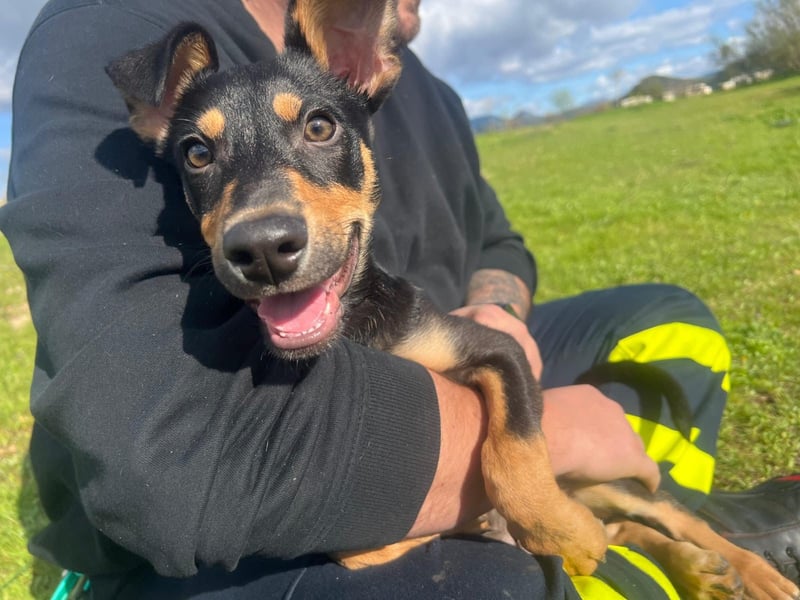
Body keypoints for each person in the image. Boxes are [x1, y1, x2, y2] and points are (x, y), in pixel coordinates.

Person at [2, 0, 798, 598]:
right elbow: (164, 452)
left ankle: (692, 520)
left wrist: (500, 316)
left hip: (431, 331)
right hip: (271, 457)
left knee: (669, 324)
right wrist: (542, 434)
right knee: (465, 582)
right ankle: (638, 546)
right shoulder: (108, 26)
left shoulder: (420, 91)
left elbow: (499, 241)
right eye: (204, 152)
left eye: (317, 131)